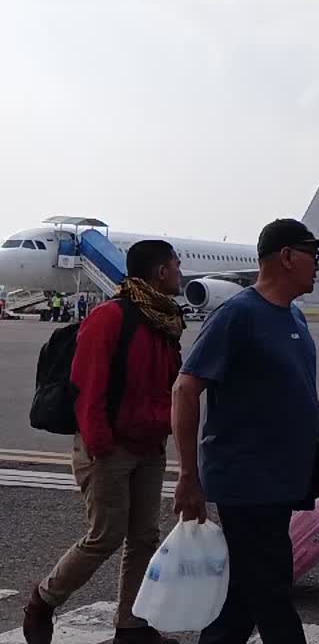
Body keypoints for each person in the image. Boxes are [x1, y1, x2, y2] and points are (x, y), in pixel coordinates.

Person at [170, 218, 319, 644]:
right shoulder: (238, 315)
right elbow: (185, 389)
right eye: (312, 254)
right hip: (247, 482)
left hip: (281, 482)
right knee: (273, 592)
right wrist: (188, 476)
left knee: (241, 599)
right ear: (285, 257)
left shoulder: (294, 317)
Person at [23, 240, 186, 644]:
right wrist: (99, 443)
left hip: (149, 445)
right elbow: (87, 387)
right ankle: (44, 599)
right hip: (109, 447)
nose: (181, 273)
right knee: (105, 536)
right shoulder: (111, 317)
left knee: (144, 536)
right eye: (176, 266)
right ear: (160, 272)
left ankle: (131, 626)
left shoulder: (164, 321)